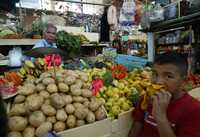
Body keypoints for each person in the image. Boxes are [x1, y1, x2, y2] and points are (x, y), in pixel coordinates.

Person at [128, 52, 200, 137]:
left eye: (169, 76)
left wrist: (161, 116)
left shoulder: (194, 110)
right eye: (155, 74)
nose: (158, 81)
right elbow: (136, 129)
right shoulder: (146, 99)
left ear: (184, 82)